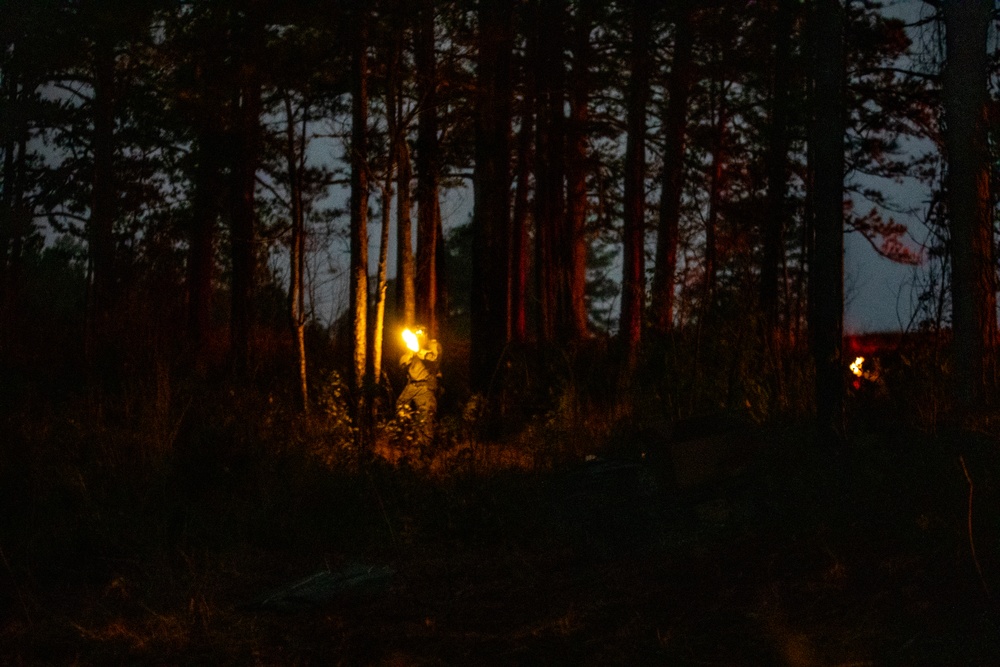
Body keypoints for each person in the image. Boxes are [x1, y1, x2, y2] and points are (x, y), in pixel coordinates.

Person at [395, 325, 442, 436]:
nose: (418, 335)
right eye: (416, 333)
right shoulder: (412, 347)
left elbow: (434, 358)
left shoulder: (432, 345)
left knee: (425, 416)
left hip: (425, 386)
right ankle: (406, 436)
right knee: (400, 407)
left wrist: (419, 351)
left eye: (420, 333)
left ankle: (425, 447)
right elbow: (401, 363)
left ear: (426, 334)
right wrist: (410, 355)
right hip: (411, 385)